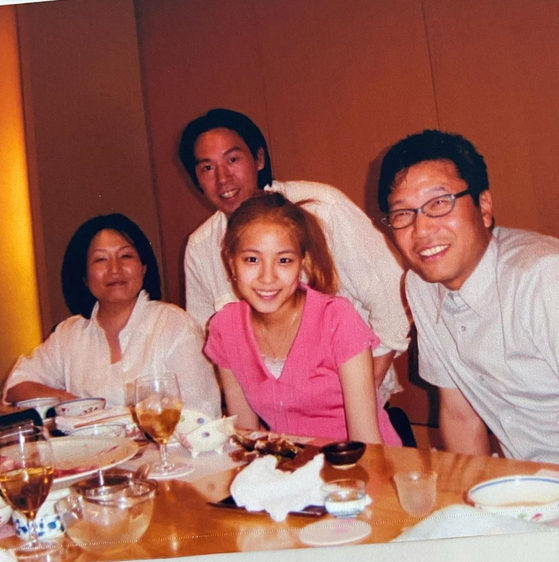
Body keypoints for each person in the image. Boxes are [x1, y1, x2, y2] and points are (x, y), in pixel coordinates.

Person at [179, 108, 410, 405]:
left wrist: (360, 394)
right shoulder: (200, 247)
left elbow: (393, 295)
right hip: (266, 413)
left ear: (259, 158)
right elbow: (206, 340)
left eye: (233, 160)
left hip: (350, 402)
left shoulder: (321, 208)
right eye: (207, 168)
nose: (223, 178)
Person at [377, 129, 559, 462]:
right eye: (402, 214)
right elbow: (460, 414)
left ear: (483, 206)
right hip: (523, 482)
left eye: (438, 203)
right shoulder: (421, 286)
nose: (421, 229)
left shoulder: (544, 277)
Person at [204, 192, 402, 445]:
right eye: (252, 260)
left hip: (360, 462)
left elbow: (367, 443)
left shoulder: (337, 320)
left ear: (302, 263)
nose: (267, 277)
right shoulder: (225, 328)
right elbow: (247, 434)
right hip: (285, 464)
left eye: (284, 260)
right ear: (231, 262)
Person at [4, 213, 221, 417]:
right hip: (90, 447)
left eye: (126, 256)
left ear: (143, 267)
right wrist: (73, 402)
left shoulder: (175, 324)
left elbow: (203, 414)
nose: (115, 269)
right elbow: (16, 385)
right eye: (100, 259)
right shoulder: (69, 334)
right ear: (84, 276)